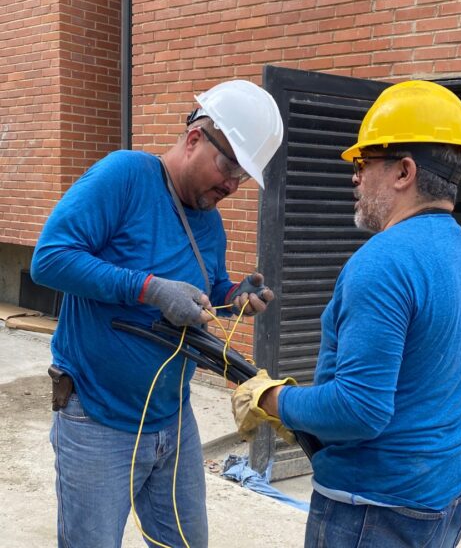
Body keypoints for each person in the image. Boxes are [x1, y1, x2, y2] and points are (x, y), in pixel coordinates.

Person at [30, 79, 284, 548]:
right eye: (229, 166)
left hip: (172, 418)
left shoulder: (208, 218)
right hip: (97, 417)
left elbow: (206, 291)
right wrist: (149, 288)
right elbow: (49, 259)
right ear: (193, 139)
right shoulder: (125, 176)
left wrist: (236, 298)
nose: (232, 184)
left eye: (243, 176)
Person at [232, 80, 461, 548]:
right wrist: (305, 413)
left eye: (365, 163)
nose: (354, 176)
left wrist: (270, 401)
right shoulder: (456, 249)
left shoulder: (383, 261)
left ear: (404, 171)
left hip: (373, 510)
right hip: (441, 496)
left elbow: (359, 410)